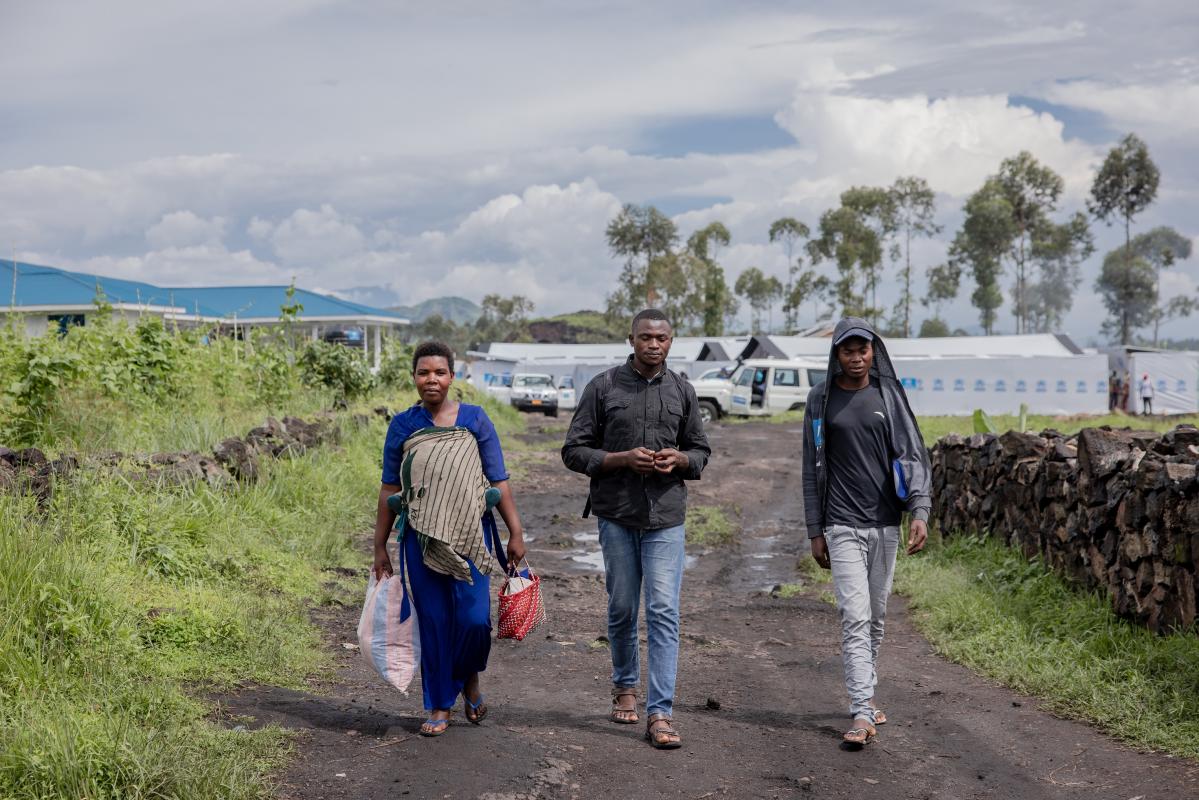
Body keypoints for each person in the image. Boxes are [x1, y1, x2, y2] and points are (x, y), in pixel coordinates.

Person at [562, 309, 711, 750]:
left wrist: (680, 460)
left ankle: (660, 712)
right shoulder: (604, 387)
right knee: (624, 607)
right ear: (631, 340)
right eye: (645, 337)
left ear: (671, 341)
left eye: (661, 338)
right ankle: (625, 684)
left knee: (663, 610)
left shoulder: (683, 390)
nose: (653, 344)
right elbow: (573, 450)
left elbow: (701, 450)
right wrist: (620, 458)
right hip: (616, 515)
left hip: (666, 518)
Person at [372, 341, 527, 737]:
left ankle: (470, 680)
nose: (431, 379)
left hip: (472, 537)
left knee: (475, 622)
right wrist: (380, 546)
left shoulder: (475, 420)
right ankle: (440, 705)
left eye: (439, 372)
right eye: (424, 372)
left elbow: (499, 479)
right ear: (414, 378)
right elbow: (390, 486)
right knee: (436, 623)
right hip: (421, 542)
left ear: (452, 377)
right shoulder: (404, 426)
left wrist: (515, 531)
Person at [801, 317, 931, 748]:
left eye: (863, 350)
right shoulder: (820, 400)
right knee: (854, 617)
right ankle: (861, 709)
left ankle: (866, 695)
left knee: (875, 618)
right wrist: (814, 529)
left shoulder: (888, 396)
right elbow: (810, 467)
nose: (856, 358)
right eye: (847, 351)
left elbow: (912, 454)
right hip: (841, 525)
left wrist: (920, 509)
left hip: (884, 524)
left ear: (874, 352)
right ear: (835, 355)